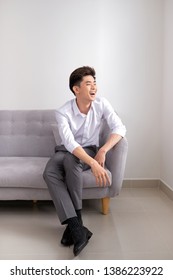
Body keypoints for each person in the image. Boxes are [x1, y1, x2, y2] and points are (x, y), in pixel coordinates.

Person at [43, 66, 126, 256]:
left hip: (88, 150)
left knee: (72, 162)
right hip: (66, 149)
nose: (94, 87)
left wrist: (103, 150)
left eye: (95, 83)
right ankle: (78, 227)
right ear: (76, 89)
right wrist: (94, 164)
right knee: (49, 172)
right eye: (88, 84)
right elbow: (70, 143)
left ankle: (74, 227)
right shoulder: (62, 111)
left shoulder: (102, 104)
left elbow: (120, 128)